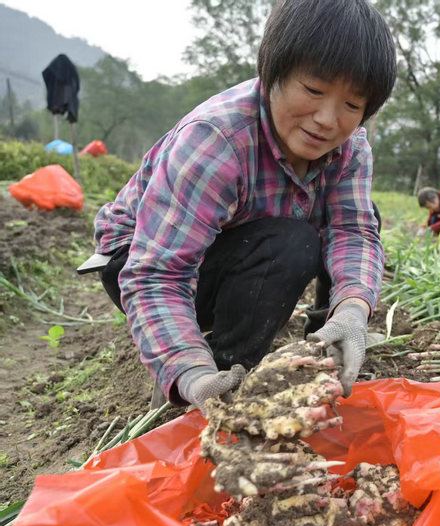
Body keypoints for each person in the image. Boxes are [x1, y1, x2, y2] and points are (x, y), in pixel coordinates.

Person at [84, 0, 397, 411]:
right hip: (139, 260)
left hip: (234, 243)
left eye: (352, 106)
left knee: (360, 218)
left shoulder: (350, 145)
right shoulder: (217, 140)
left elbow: (352, 231)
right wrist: (188, 369)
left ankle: (330, 339)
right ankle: (216, 372)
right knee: (291, 243)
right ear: (272, 73)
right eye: (314, 90)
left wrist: (353, 310)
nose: (327, 118)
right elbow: (158, 273)